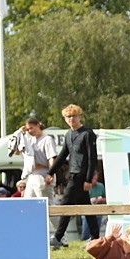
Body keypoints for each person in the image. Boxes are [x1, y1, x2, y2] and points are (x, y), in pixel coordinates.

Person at [49, 104, 100, 247]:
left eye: (74, 116)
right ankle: (95, 237)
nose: (71, 119)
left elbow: (92, 158)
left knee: (65, 204)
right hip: (72, 174)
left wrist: (89, 179)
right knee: (86, 207)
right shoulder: (68, 135)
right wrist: (50, 172)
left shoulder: (88, 133)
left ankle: (58, 238)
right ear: (65, 119)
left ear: (79, 117)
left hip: (81, 176)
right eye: (68, 116)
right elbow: (62, 155)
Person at [10, 117, 58, 200]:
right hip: (32, 175)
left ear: (38, 125)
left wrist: (50, 173)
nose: (30, 131)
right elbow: (17, 152)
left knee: (46, 202)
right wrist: (20, 132)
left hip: (43, 173)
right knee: (28, 201)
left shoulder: (47, 139)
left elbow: (51, 158)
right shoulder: (30, 140)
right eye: (28, 129)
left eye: (31, 128)